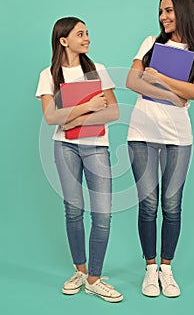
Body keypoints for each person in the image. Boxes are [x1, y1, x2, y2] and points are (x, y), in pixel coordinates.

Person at [126, 0, 194, 298]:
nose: (163, 17)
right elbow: (132, 81)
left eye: (169, 11)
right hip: (141, 133)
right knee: (148, 205)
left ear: (184, 12)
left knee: (172, 206)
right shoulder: (150, 43)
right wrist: (176, 94)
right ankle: (150, 270)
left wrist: (159, 79)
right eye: (161, 11)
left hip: (178, 137)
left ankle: (167, 269)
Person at [36, 17, 123, 302]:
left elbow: (113, 113)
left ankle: (95, 279)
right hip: (65, 148)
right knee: (73, 211)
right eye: (81, 34)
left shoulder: (97, 70)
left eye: (87, 33)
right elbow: (51, 118)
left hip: (96, 147)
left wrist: (70, 113)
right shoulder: (49, 75)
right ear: (64, 40)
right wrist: (87, 106)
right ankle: (81, 271)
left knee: (103, 215)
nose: (87, 38)